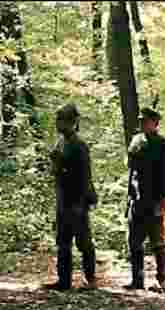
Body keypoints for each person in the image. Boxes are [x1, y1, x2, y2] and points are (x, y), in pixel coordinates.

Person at [44, 103, 97, 291]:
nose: (59, 124)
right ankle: (64, 281)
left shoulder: (79, 145)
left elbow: (84, 176)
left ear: (72, 123)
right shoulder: (60, 143)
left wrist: (83, 200)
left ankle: (90, 279)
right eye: (58, 120)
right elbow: (57, 170)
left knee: (83, 241)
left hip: (77, 200)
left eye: (63, 121)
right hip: (63, 198)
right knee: (63, 242)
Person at [124, 107, 165, 292]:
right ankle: (137, 280)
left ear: (155, 123)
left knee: (158, 242)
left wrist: (162, 199)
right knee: (134, 241)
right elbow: (132, 171)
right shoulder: (136, 141)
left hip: (155, 199)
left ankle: (161, 281)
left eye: (146, 121)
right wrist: (129, 197)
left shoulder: (163, 144)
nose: (143, 124)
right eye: (141, 121)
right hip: (137, 199)